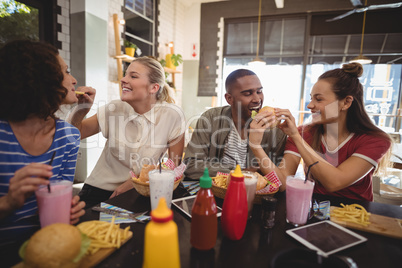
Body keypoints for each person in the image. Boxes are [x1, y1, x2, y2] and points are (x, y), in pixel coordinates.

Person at [249, 62, 392, 201]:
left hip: (354, 216)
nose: (310, 105)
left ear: (346, 102)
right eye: (311, 98)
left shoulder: (376, 140)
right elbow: (282, 183)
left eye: (319, 99)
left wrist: (296, 137)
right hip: (313, 210)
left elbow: (334, 182)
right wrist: (256, 145)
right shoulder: (304, 133)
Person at [0, 40, 86, 265]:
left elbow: (57, 196)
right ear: (41, 80)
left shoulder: (69, 136)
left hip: (48, 248)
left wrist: (67, 210)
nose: (74, 80)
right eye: (66, 72)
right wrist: (8, 202)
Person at [69, 56, 185, 208]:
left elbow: (173, 166)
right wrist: (81, 109)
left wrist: (133, 183)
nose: (123, 79)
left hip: (143, 190)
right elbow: (73, 135)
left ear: (153, 88)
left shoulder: (172, 115)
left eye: (133, 76)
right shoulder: (114, 108)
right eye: (125, 74)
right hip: (97, 189)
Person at [184, 69, 287, 188]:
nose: (257, 99)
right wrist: (241, 173)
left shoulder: (275, 130)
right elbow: (190, 165)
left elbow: (278, 180)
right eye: (248, 94)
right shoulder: (211, 118)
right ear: (229, 98)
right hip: (214, 192)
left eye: (259, 91)